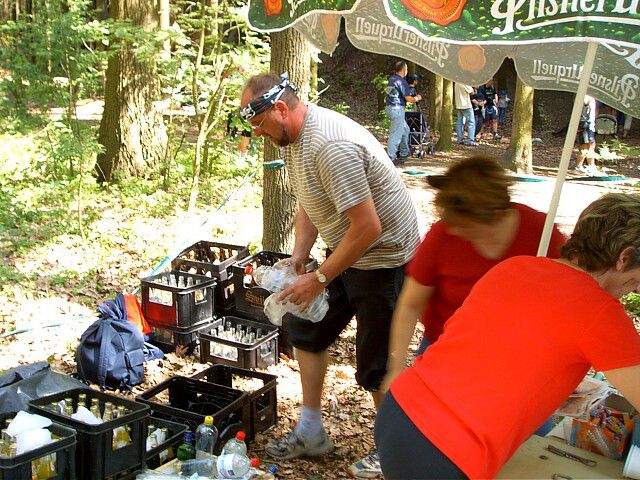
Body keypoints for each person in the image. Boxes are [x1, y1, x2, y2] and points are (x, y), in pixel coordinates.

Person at [376, 192, 640, 479]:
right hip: (445, 449)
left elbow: (491, 350)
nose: (637, 288)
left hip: (400, 410)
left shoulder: (517, 265)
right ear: (623, 258)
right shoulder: (600, 311)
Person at [239, 73, 420, 478]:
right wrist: (300, 256)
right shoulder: (293, 139)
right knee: (307, 331)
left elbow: (369, 226)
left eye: (260, 123)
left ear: (281, 109)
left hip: (385, 258)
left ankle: (392, 451)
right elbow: (310, 199)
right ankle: (311, 432)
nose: (259, 133)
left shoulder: (330, 146)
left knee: (378, 364)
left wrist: (320, 278)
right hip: (347, 248)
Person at [381, 155, 565, 388]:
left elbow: (564, 301)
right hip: (445, 348)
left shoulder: (542, 234)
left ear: (495, 216)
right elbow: (410, 304)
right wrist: (396, 366)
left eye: (465, 226)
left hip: (513, 356)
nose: (455, 231)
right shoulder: (443, 234)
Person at [385, 61, 422, 164]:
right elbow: (409, 98)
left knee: (405, 130)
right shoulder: (401, 81)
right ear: (403, 69)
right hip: (397, 109)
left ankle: (404, 153)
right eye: (407, 69)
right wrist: (417, 98)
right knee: (395, 134)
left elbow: (390, 94)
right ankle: (391, 158)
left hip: (390, 108)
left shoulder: (391, 79)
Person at [575, 94, 598, 176]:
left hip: (589, 125)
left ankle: (590, 166)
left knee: (591, 146)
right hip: (585, 124)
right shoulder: (585, 95)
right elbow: (585, 102)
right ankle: (580, 167)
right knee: (585, 147)